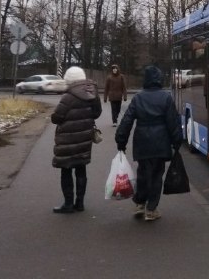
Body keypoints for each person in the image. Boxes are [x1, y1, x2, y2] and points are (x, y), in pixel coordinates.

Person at [115, 65, 182, 222]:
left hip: (142, 142)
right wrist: (177, 141)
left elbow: (127, 121)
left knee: (143, 173)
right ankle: (151, 209)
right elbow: (173, 122)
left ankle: (139, 203)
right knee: (157, 175)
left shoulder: (138, 98)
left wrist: (121, 141)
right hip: (160, 142)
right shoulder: (166, 97)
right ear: (159, 79)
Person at [50, 66, 102, 213]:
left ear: (69, 80)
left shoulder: (68, 97)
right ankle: (80, 203)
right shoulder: (92, 93)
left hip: (67, 139)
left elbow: (57, 117)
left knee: (66, 171)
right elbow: (97, 113)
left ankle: (68, 204)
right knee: (81, 169)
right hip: (84, 138)